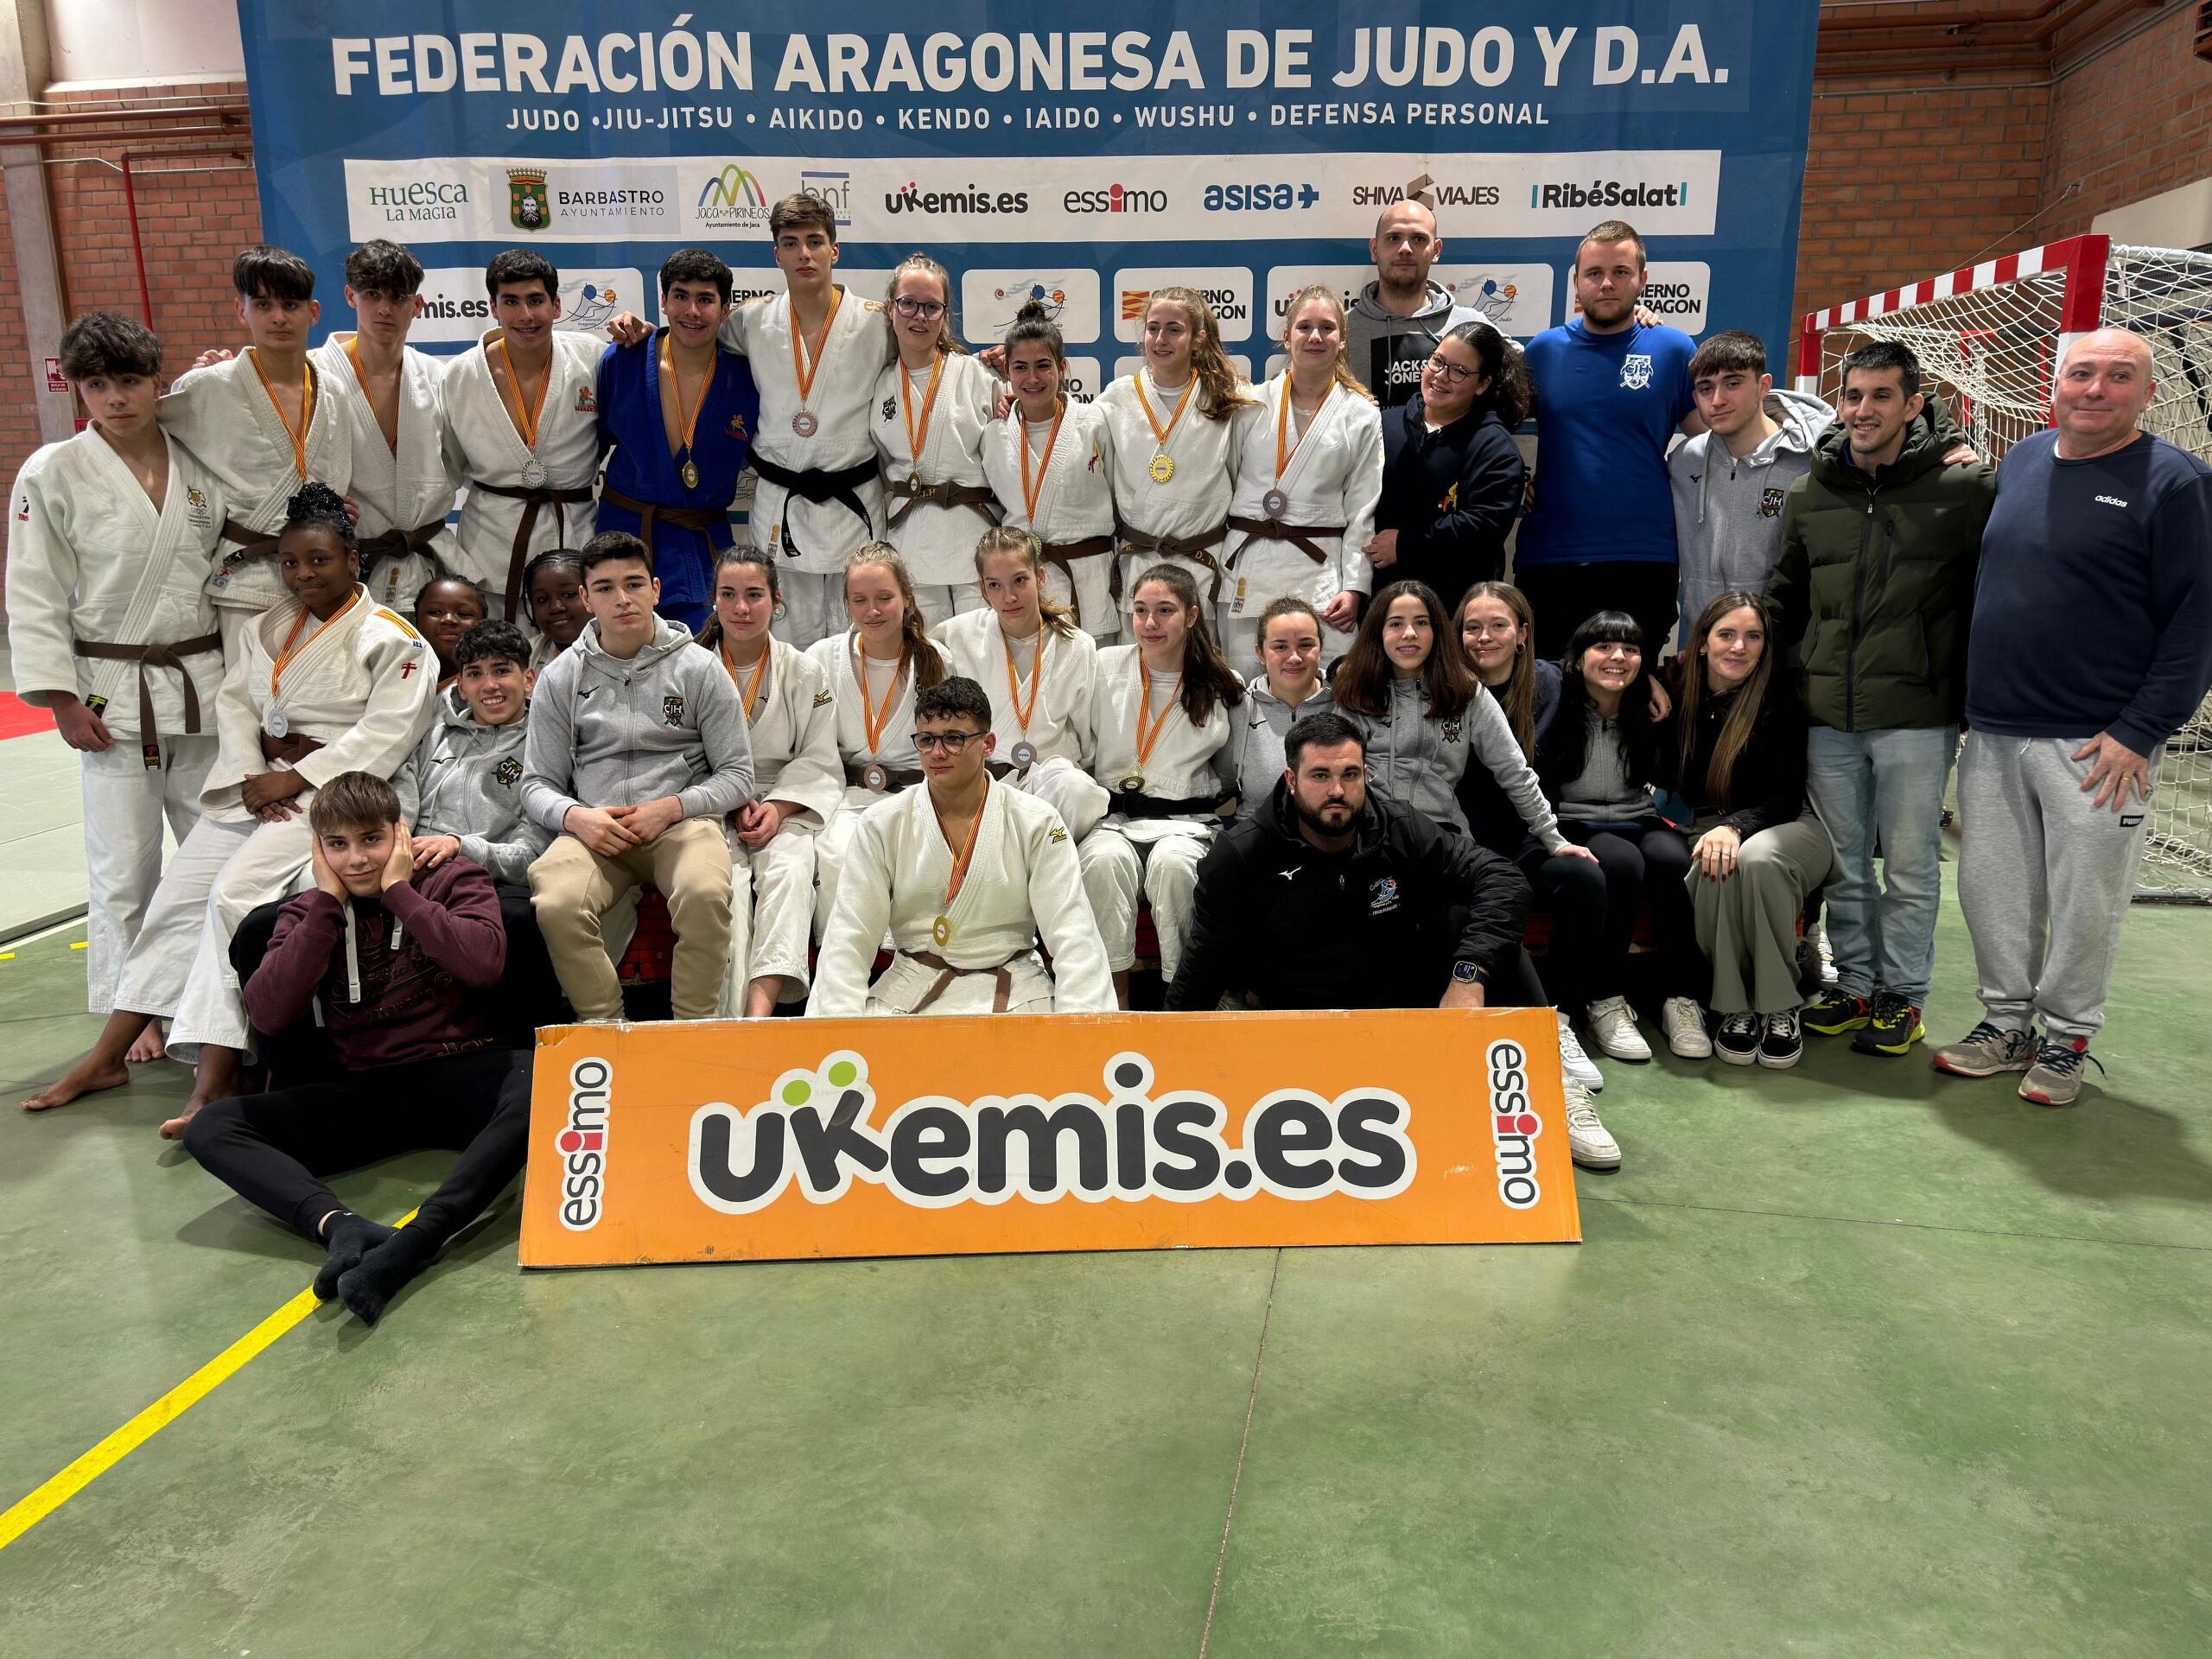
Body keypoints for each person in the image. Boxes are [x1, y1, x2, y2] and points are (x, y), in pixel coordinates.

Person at [22, 483, 438, 1131]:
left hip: (345, 794)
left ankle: (215, 1076)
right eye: (292, 563)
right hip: (265, 782)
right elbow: (238, 702)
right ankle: (108, 1055)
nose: (304, 574)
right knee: (180, 894)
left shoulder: (394, 639)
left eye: (320, 561)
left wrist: (296, 779)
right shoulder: (274, 626)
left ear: (353, 561)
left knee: (231, 896)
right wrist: (253, 773)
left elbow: (387, 733)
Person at [1936, 327, 2212, 1105]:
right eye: (2081, 374)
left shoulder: (2177, 482)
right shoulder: (2023, 460)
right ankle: (2004, 1024)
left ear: (2147, 393)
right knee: (1994, 890)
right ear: (2054, 383)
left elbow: (2198, 620)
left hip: (2100, 744)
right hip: (1993, 729)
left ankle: (2066, 1038)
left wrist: (2141, 730)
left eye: (2117, 377)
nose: (2095, 390)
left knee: (2086, 898)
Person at [1166, 711, 1618, 1171]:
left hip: (1396, 1010)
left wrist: (1468, 976)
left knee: (1476, 926)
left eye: (1350, 774)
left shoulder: (1396, 826)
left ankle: (1556, 1084)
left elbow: (1502, 879)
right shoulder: (1242, 853)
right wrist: (1161, 1054)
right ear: (1292, 779)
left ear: (1366, 776)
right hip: (1300, 1022)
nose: (1337, 791)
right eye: (1320, 775)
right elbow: (1203, 961)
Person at [181, 772, 533, 1326]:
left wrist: (401, 892)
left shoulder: (453, 879)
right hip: (367, 1087)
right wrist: (324, 905)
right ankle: (339, 1225)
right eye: (337, 845)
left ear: (401, 832)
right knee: (212, 1127)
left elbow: (484, 964)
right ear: (318, 849)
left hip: (463, 1072)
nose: (357, 860)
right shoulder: (305, 911)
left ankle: (418, 1240)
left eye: (371, 839)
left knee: (546, 1082)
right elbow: (269, 1014)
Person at [1768, 340, 1993, 1058]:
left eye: (1881, 397)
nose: (1863, 410)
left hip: (1918, 718)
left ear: (1914, 405)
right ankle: (1856, 982)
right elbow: (1786, 594)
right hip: (1829, 715)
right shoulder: (1813, 490)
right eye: (1853, 396)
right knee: (1843, 864)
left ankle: (1903, 997)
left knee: (1911, 864)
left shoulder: (1966, 490)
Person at [6, 312, 227, 1031]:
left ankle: (203, 1000)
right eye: (97, 385)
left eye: (129, 381)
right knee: (124, 870)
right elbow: (33, 590)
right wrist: (61, 700)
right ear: (78, 391)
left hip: (202, 685)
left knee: (214, 857)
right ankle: (133, 1013)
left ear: (156, 382)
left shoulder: (196, 455)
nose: (116, 399)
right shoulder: (53, 470)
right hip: (109, 691)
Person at [607, 195, 891, 646]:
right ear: (775, 253)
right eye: (791, 243)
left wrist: (991, 363)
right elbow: (689, 331)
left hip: (852, 503)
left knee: (856, 640)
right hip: (780, 502)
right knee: (778, 641)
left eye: (815, 242)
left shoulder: (880, 324)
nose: (804, 254)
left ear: (834, 250)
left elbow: (928, 354)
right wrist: (642, 330)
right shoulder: (752, 321)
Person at [520, 531, 753, 1024]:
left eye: (632, 584)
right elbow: (536, 783)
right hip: (598, 830)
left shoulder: (700, 668)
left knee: (706, 893)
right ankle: (604, 1027)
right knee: (556, 899)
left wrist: (672, 807)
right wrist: (576, 817)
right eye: (604, 588)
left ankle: (693, 1028)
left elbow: (738, 776)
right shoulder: (562, 676)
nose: (621, 599)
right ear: (585, 598)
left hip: (680, 824)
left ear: (656, 588)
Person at [809, 676, 1115, 1016]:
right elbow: (849, 939)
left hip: (1017, 989)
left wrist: (1084, 1032)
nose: (938, 752)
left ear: (987, 744)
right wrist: (836, 1035)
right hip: (911, 988)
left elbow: (1075, 936)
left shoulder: (1038, 822)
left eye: (954, 739)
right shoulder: (881, 823)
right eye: (927, 740)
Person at [1665, 592, 1835, 1068]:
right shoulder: (1678, 695)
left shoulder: (1781, 697)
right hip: (1712, 826)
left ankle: (1780, 1007)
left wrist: (1735, 827)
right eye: (1726, 635)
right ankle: (1734, 1008)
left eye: (1753, 637)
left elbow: (1783, 797)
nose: (1739, 647)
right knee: (1714, 861)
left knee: (1756, 860)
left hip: (1790, 824)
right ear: (1701, 643)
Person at [1516, 221, 1699, 656]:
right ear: (1576, 281)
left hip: (1643, 556)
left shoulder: (1673, 350)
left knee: (1634, 701)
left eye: (1621, 271)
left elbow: (1714, 444)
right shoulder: (1541, 352)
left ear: (1642, 280)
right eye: (1594, 273)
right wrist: (1510, 480)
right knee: (1550, 700)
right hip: (1551, 557)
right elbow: (1489, 428)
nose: (1607, 283)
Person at [1453, 581, 1607, 1092]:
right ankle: (1510, 1027)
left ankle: (1560, 1022)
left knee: (1584, 878)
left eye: (1498, 626)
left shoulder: (1551, 683)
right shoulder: (1443, 686)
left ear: (1522, 633)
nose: (1484, 637)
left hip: (1527, 838)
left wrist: (1651, 681)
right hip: (1462, 844)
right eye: (1472, 627)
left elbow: (1615, 672)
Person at [160, 245, 353, 652]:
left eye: (290, 304)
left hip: (325, 573)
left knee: (331, 697)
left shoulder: (334, 389)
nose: (278, 317)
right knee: (248, 700)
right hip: (249, 579)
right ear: (240, 310)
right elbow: (157, 451)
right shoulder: (206, 388)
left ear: (313, 312)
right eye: (263, 304)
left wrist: (335, 509)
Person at [1536, 610, 1708, 1063]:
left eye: (1630, 650)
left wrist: (1652, 682)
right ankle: (1605, 999)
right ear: (1579, 658)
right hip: (1576, 822)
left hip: (1638, 816)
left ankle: (1680, 998)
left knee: (1673, 861)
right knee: (1623, 863)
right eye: (1604, 647)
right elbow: (1541, 667)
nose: (1617, 657)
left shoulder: (1649, 711)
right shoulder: (1557, 702)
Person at [1077, 563, 1243, 1002]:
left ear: (1191, 616)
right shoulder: (1103, 665)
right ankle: (1112, 1000)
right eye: (1140, 610)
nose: (1150, 623)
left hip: (1187, 821)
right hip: (1115, 818)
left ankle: (1185, 998)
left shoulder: (1222, 682)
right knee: (1102, 862)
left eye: (1164, 610)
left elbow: (1227, 772)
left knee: (1174, 866)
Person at [695, 548, 843, 1016]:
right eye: (729, 594)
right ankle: (728, 1022)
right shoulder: (687, 668)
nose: (741, 608)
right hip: (710, 807)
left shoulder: (804, 670)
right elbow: (677, 757)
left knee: (791, 872)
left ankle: (760, 1017)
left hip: (782, 803)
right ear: (713, 601)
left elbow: (819, 756)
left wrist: (777, 808)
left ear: (777, 600)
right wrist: (729, 799)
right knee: (728, 892)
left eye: (754, 595)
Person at [1333, 580, 1577, 853]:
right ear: (1377, 632)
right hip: (1372, 835)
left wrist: (1554, 840)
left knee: (1509, 890)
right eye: (1396, 624)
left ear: (1437, 631)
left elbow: (1514, 771)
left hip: (1444, 834)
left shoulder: (1465, 690)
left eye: (1422, 623)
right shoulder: (1355, 690)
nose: (1410, 633)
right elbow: (1335, 772)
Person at [593, 248, 759, 634]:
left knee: (702, 663)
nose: (693, 311)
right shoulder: (622, 362)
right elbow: (592, 445)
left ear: (725, 309)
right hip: (628, 540)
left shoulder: (745, 378)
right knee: (624, 657)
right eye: (681, 296)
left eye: (706, 299)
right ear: (663, 302)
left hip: (703, 548)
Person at [1219, 284, 1382, 661]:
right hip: (1250, 565)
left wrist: (1356, 585)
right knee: (1245, 687)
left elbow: (1363, 507)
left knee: (1323, 692)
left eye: (1327, 328)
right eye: (1305, 326)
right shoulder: (1251, 405)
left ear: (1342, 340)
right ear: (1286, 336)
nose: (1315, 337)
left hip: (1320, 572)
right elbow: (1224, 483)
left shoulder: (1360, 414)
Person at [439, 250, 603, 623]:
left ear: (557, 305)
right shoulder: (461, 375)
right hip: (491, 544)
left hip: (573, 537)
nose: (525, 316)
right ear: (493, 308)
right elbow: (445, 465)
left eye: (535, 301)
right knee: (500, 663)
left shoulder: (593, 359)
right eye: (510, 302)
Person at [804, 545, 950, 935]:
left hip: (917, 795)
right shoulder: (822, 658)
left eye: (885, 598)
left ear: (907, 596)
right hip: (847, 797)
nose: (873, 610)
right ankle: (846, 974)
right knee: (836, 853)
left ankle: (916, 967)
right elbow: (810, 745)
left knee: (925, 860)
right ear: (847, 604)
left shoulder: (936, 659)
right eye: (860, 600)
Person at [1095, 288, 1255, 629]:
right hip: (1139, 562)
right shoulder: (1117, 398)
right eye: (1153, 328)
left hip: (1200, 561)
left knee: (1201, 671)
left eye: (1173, 329)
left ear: (1197, 339)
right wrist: (1012, 400)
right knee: (1142, 673)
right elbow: (1070, 428)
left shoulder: (1227, 396)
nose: (1160, 339)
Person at [938, 526, 1109, 841]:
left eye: (1020, 580)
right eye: (995, 585)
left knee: (1080, 790)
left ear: (1040, 577)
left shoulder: (1076, 645)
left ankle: (1038, 855)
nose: (1009, 596)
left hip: (1053, 779)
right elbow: (914, 648)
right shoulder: (960, 634)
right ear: (982, 587)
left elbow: (1088, 735)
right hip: (987, 780)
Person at [316, 239, 459, 613]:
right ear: (350, 296)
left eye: (397, 297)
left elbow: (464, 460)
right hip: (350, 563)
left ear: (417, 305)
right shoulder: (312, 375)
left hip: (424, 564)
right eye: (372, 293)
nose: (384, 308)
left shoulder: (438, 377)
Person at [1668, 329, 1833, 629]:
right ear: (1695, 397)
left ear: (1763, 386)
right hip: (1707, 647)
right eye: (1706, 388)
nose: (1717, 400)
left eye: (1732, 383)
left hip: (1785, 648)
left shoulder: (1812, 460)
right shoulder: (1684, 461)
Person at [871, 254, 1002, 628]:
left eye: (932, 307)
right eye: (908, 304)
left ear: (945, 315)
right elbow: (879, 466)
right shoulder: (880, 385)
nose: (919, 316)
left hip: (972, 537)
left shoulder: (977, 375)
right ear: (890, 309)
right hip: (910, 538)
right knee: (925, 657)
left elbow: (1006, 461)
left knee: (982, 653)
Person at [980, 299, 1117, 639]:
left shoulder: (1093, 423)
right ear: (1007, 373)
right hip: (1023, 585)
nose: (1032, 378)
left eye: (1043, 366)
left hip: (1087, 580)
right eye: (1020, 368)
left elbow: (1120, 490)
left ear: (1062, 366)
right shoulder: (994, 435)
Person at [1370, 319, 1529, 612]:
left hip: (1456, 613)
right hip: (1383, 609)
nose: (1441, 376)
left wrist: (1406, 546)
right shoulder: (1381, 425)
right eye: (1438, 361)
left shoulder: (1495, 449)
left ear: (1483, 384)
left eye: (1459, 371)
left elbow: (1481, 529)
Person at [1344, 199, 1484, 407]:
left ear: (1436, 250)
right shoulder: (1339, 331)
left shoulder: (1469, 326)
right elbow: (1298, 397)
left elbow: (1520, 383)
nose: (1405, 249)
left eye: (1418, 239)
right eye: (1393, 238)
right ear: (1374, 249)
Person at [1219, 595, 1336, 818]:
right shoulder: (1239, 709)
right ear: (1261, 653)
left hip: (1329, 840)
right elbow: (1223, 785)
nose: (1294, 658)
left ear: (1320, 648)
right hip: (1257, 841)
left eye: (1305, 645)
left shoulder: (1345, 705)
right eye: (1280, 646)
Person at [415, 574, 487, 690]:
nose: (448, 619)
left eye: (463, 613)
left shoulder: (493, 684)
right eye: (435, 612)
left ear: (483, 624)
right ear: (416, 620)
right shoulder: (395, 674)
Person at [521, 548, 587, 669]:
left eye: (569, 595)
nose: (555, 607)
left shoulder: (628, 653)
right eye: (542, 599)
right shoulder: (520, 659)